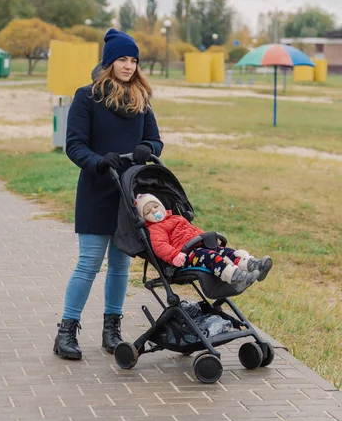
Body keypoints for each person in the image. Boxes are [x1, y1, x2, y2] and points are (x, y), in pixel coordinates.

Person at [54, 29, 163, 360]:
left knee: (119, 266)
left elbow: (156, 141)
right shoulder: (86, 97)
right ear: (109, 62)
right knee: (89, 263)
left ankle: (111, 330)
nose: (129, 66)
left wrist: (147, 148)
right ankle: (66, 332)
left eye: (133, 60)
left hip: (129, 193)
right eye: (122, 59)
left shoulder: (141, 100)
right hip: (97, 190)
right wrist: (99, 162)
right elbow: (74, 145)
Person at [135, 194, 273, 293]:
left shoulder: (177, 218)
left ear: (162, 205)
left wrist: (207, 238)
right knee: (211, 257)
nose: (154, 211)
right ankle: (237, 278)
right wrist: (174, 255)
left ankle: (254, 265)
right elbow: (160, 246)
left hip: (200, 245)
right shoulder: (155, 229)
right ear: (144, 217)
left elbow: (195, 231)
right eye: (148, 211)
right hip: (186, 255)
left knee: (226, 252)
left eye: (155, 206)